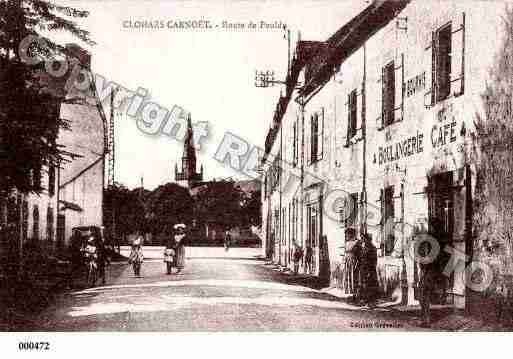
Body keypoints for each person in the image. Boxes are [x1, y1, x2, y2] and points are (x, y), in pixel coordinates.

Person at [359, 233, 379, 308]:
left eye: (365, 239)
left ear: (368, 240)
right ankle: (367, 301)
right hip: (365, 268)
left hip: (370, 269)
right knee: (365, 285)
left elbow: (374, 260)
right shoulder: (365, 247)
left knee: (370, 285)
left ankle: (371, 302)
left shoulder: (372, 248)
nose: (364, 241)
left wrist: (370, 270)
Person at [344, 236, 362, 303]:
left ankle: (355, 294)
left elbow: (359, 254)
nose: (347, 235)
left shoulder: (356, 243)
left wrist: (357, 262)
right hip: (348, 262)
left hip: (353, 262)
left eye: (349, 234)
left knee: (354, 278)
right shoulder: (347, 243)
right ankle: (351, 294)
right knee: (349, 278)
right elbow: (345, 253)